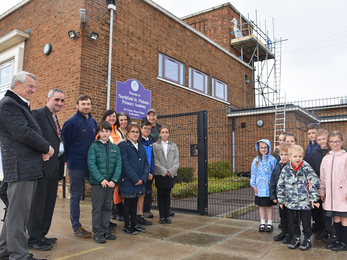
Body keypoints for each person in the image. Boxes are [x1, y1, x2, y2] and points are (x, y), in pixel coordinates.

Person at [0, 71, 54, 260]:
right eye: (30, 86)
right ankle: (19, 255)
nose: (33, 90)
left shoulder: (17, 104)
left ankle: (5, 251)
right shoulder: (9, 105)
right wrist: (47, 147)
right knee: (18, 215)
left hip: (25, 166)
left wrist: (40, 150)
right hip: (20, 168)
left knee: (15, 213)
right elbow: (22, 133)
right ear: (17, 85)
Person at [28, 89, 66, 251]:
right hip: (42, 168)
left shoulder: (55, 118)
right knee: (38, 204)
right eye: (57, 99)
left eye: (62, 101)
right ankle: (33, 239)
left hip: (54, 167)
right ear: (48, 99)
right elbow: (30, 137)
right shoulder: (37, 114)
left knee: (49, 203)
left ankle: (42, 234)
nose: (60, 103)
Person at [62, 95, 97, 238]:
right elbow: (65, 145)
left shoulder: (93, 122)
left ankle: (100, 222)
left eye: (88, 104)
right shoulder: (71, 123)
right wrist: (68, 161)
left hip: (91, 165)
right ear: (77, 105)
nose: (86, 106)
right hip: (76, 165)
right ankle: (76, 226)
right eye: (83, 104)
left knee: (99, 189)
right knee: (76, 196)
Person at [277, 145, 320, 251]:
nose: (297, 159)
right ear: (289, 157)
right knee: (293, 221)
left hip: (305, 202)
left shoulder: (306, 168)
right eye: (295, 156)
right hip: (291, 202)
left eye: (300, 156)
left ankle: (307, 239)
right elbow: (280, 185)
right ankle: (296, 237)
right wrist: (281, 200)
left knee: (306, 222)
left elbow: (314, 183)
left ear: (303, 156)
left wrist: (314, 199)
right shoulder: (286, 169)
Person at [88, 121, 122, 243]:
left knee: (107, 207)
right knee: (97, 208)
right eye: (102, 131)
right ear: (98, 132)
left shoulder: (114, 148)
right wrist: (101, 179)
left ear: (110, 132)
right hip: (98, 184)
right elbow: (91, 164)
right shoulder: (94, 146)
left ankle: (105, 230)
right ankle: (97, 232)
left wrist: (114, 180)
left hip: (110, 184)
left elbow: (118, 164)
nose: (104, 133)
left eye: (107, 131)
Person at [119, 124, 149, 235]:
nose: (135, 134)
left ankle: (134, 224)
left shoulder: (141, 146)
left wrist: (143, 177)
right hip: (128, 180)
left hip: (139, 180)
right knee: (128, 203)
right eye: (133, 131)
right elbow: (125, 164)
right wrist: (135, 178)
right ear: (127, 134)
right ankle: (127, 226)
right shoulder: (124, 146)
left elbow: (146, 163)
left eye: (137, 132)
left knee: (135, 202)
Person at [319, 131, 347, 251]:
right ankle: (338, 240)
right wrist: (322, 191)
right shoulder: (326, 158)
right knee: (336, 217)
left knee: (344, 218)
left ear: (342, 141)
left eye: (338, 141)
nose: (335, 143)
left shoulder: (346, 157)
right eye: (332, 141)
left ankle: (344, 242)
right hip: (330, 194)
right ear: (329, 143)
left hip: (343, 194)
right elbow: (322, 176)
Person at [309, 129, 334, 242]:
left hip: (332, 186)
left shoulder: (333, 152)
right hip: (319, 185)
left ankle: (331, 230)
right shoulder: (314, 155)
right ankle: (322, 228)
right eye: (319, 139)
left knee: (330, 209)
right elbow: (312, 171)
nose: (322, 141)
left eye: (324, 138)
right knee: (319, 209)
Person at [153, 126, 179, 224]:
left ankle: (167, 215)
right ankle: (162, 216)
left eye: (166, 132)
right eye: (162, 132)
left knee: (167, 195)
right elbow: (155, 160)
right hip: (160, 174)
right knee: (160, 195)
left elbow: (176, 160)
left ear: (169, 134)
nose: (164, 134)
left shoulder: (174, 146)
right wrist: (164, 171)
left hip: (170, 175)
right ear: (159, 134)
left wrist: (170, 171)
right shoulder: (155, 146)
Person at [250, 139, 277, 232]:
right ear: (258, 148)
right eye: (261, 147)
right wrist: (253, 185)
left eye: (265, 147)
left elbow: (275, 173)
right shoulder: (255, 160)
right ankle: (262, 223)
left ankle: (269, 223)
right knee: (261, 206)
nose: (263, 149)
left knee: (269, 206)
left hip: (269, 188)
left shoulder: (273, 160)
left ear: (269, 148)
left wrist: (274, 186)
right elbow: (253, 173)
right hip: (259, 189)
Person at [270, 143, 292, 243]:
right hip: (281, 198)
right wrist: (273, 196)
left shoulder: (292, 167)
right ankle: (284, 232)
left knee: (291, 217)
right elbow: (273, 182)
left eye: (286, 154)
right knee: (283, 216)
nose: (284, 157)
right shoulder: (277, 168)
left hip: (291, 198)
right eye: (282, 154)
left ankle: (290, 234)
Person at [113, 111, 131, 221]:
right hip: (117, 162)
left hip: (128, 162)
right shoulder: (114, 132)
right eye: (121, 120)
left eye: (125, 119)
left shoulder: (129, 131)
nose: (124, 122)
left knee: (125, 186)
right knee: (117, 187)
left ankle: (121, 211)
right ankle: (119, 213)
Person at [136, 121, 154, 226]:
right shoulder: (138, 141)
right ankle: (136, 216)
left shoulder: (150, 141)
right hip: (140, 173)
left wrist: (151, 172)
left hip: (149, 173)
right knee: (138, 194)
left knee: (145, 193)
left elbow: (152, 158)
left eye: (149, 129)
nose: (147, 130)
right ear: (140, 129)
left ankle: (142, 214)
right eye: (145, 128)